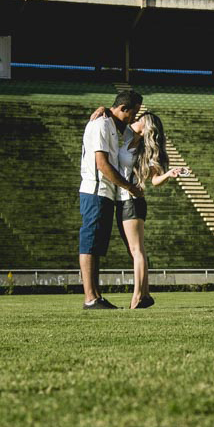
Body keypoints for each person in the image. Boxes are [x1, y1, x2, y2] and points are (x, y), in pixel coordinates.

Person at [90, 107, 187, 309]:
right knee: (134, 250)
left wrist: (169, 174)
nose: (135, 120)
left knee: (137, 249)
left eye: (139, 119)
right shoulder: (129, 136)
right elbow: (118, 118)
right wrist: (104, 109)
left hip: (132, 201)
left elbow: (155, 180)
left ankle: (137, 297)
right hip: (122, 200)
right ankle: (145, 295)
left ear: (146, 125)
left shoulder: (147, 150)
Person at [78, 90, 144, 310]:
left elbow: (138, 130)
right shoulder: (101, 125)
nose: (134, 118)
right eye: (132, 113)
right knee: (90, 242)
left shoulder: (116, 127)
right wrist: (128, 186)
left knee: (96, 245)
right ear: (123, 108)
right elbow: (102, 164)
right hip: (95, 191)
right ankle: (90, 297)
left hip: (106, 193)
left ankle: (96, 295)